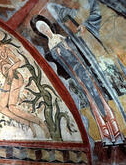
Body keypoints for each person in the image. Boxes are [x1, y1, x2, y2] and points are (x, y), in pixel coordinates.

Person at [31, 16, 123, 145]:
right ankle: (106, 136)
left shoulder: (61, 37)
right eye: (41, 29)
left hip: (85, 72)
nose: (45, 30)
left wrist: (67, 48)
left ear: (48, 25)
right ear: (40, 32)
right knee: (92, 102)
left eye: (45, 26)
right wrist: (60, 53)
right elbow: (62, 65)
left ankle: (117, 132)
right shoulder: (50, 46)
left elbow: (76, 50)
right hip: (77, 77)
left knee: (100, 97)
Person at [0, 28, 50, 138]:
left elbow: (18, 61)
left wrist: (12, 69)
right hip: (7, 78)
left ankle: (40, 123)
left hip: (16, 77)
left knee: (12, 107)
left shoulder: (5, 48)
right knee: (2, 108)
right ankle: (28, 123)